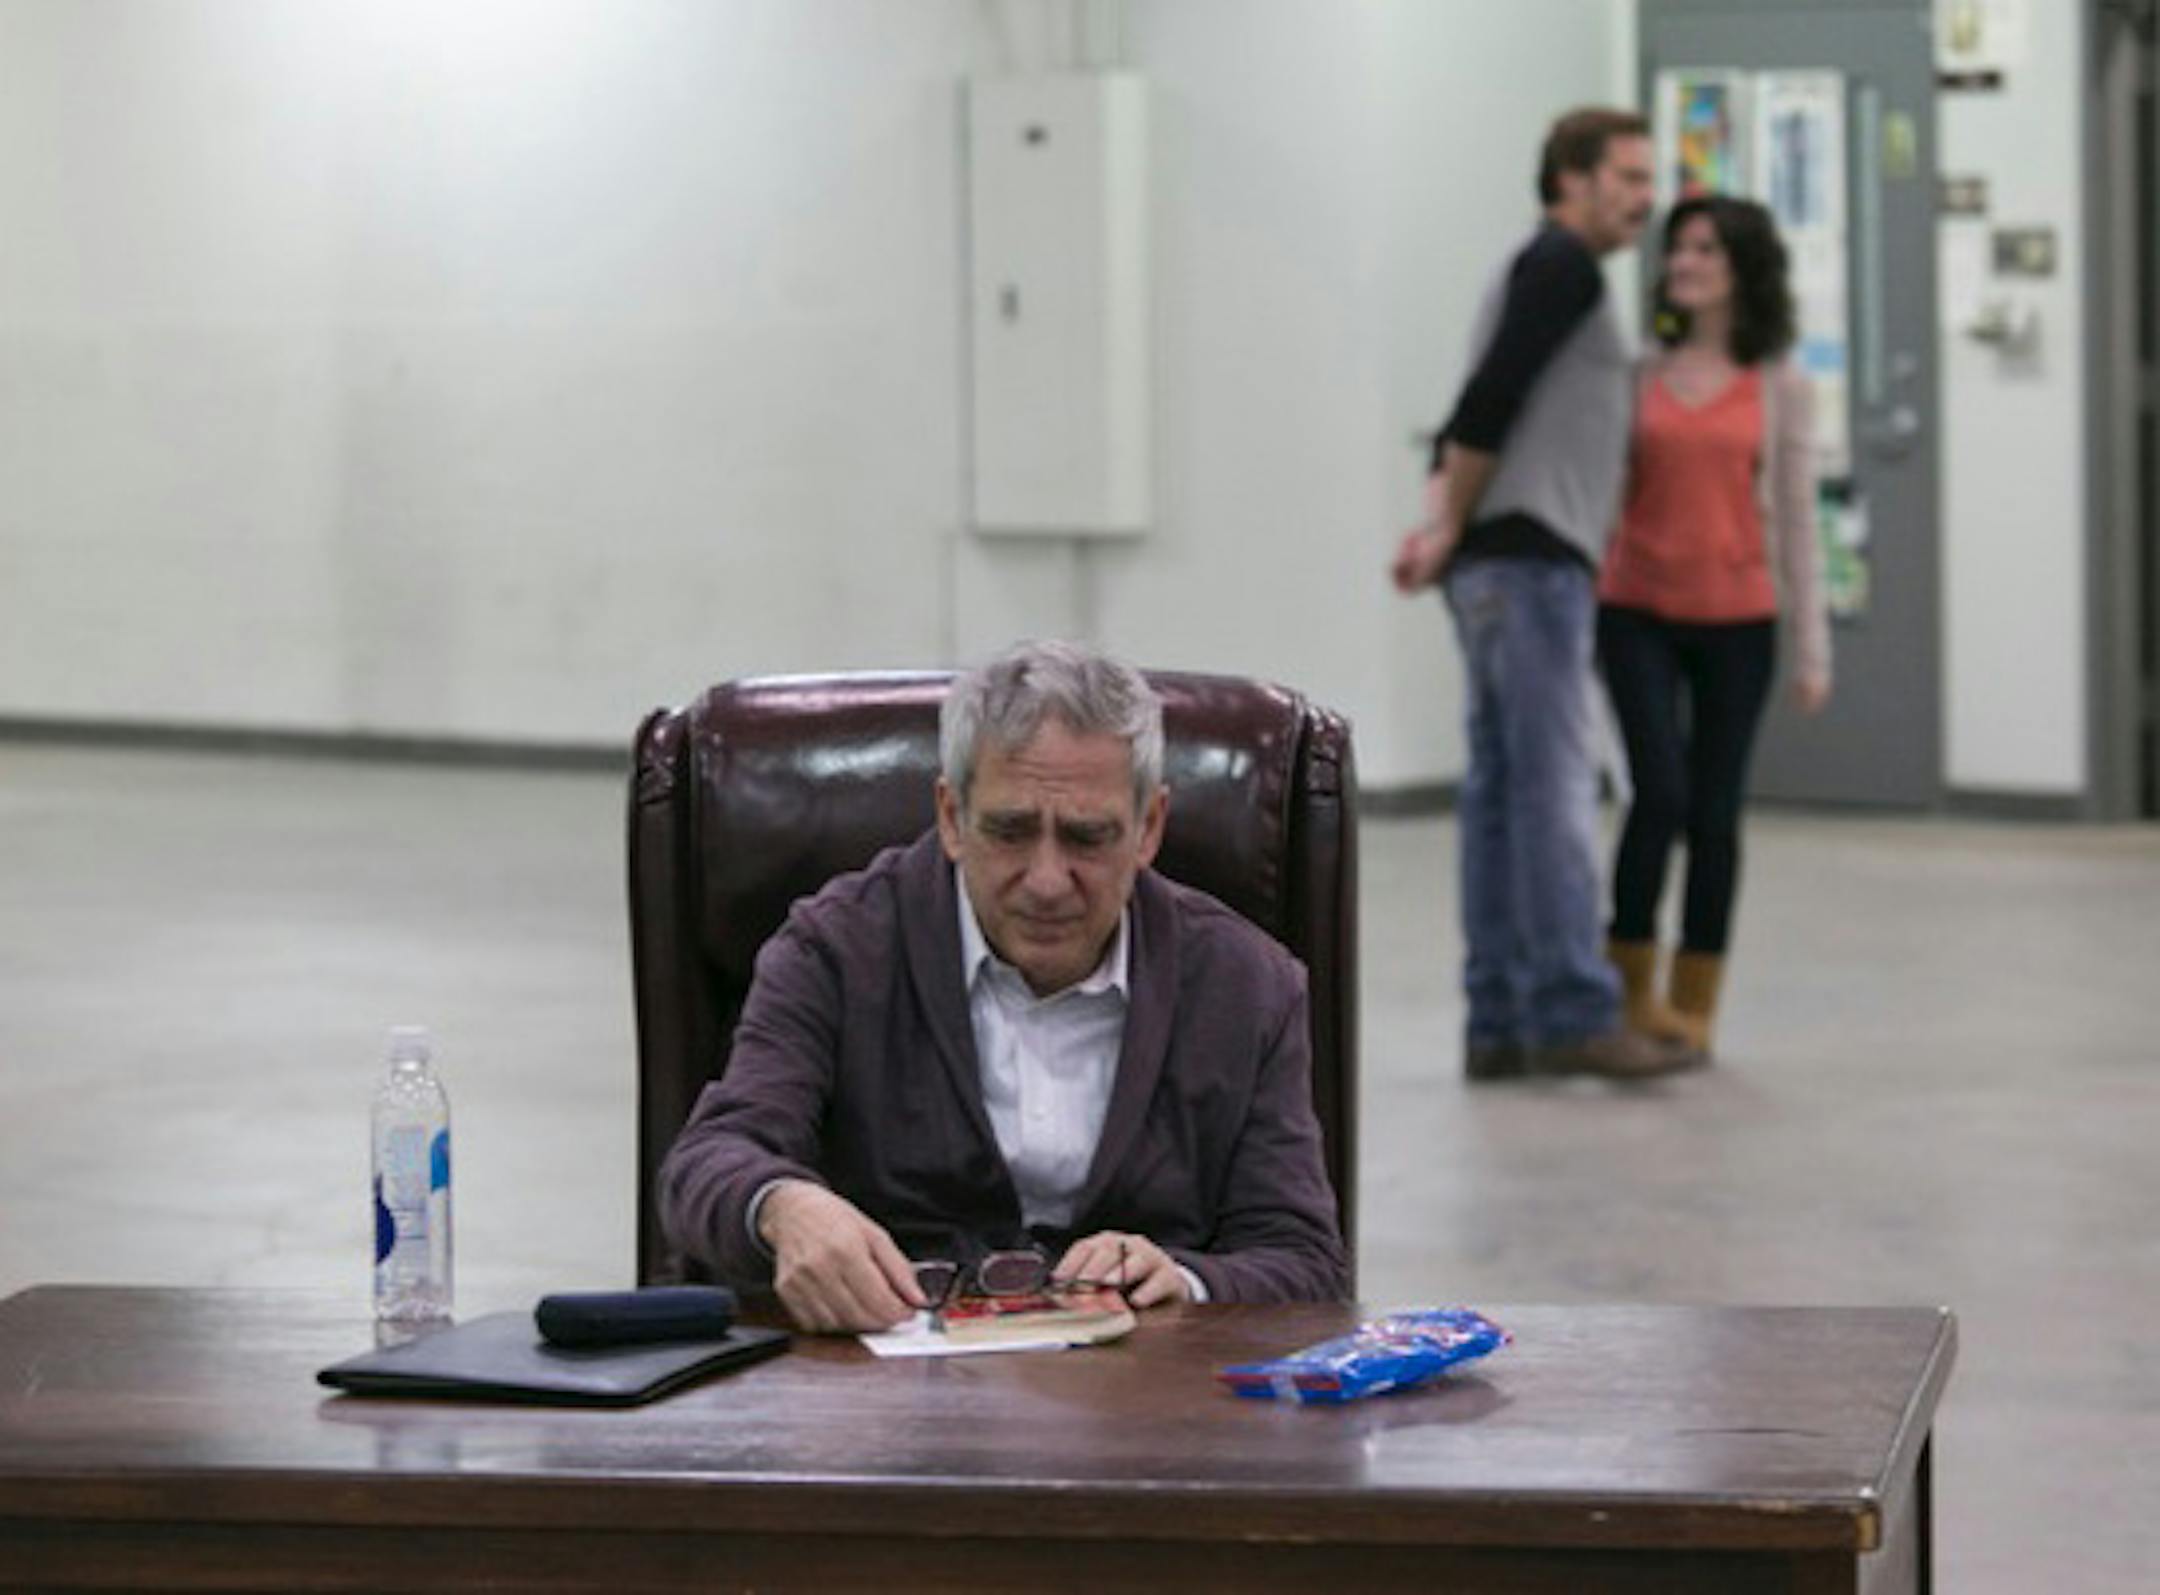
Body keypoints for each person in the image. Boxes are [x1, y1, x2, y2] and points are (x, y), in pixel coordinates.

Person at [658, 640, 1350, 1333]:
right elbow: (704, 1164)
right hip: (885, 1384)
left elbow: (1306, 1262)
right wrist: (783, 1207)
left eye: (1086, 837)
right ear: (951, 817)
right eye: (1011, 831)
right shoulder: (835, 950)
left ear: (1149, 828)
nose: (1046, 881)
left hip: (1136, 1386)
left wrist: (1187, 1279)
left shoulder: (1247, 985)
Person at [1391, 107, 1691, 1082]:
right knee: (1555, 786)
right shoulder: (1563, 267)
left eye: (1649, 180)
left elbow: (1470, 410)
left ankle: (1501, 1016)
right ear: (1571, 178)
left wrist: (1440, 526)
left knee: (1502, 793)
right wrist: (1446, 525)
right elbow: (1490, 403)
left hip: (1501, 562)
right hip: (1529, 565)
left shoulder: (1535, 268)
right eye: (1628, 178)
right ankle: (1567, 1008)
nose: (1645, 199)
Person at [1597, 195, 1831, 1058]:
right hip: (1635, 611)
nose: (1685, 263)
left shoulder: (1781, 385)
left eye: (1706, 249)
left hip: (1740, 622)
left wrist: (1813, 649)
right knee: (1659, 792)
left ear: (1744, 269)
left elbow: (1797, 519)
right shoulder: (1637, 374)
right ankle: (1628, 988)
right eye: (1678, 249)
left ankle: (1695, 1001)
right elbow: (1604, 498)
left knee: (1716, 813)